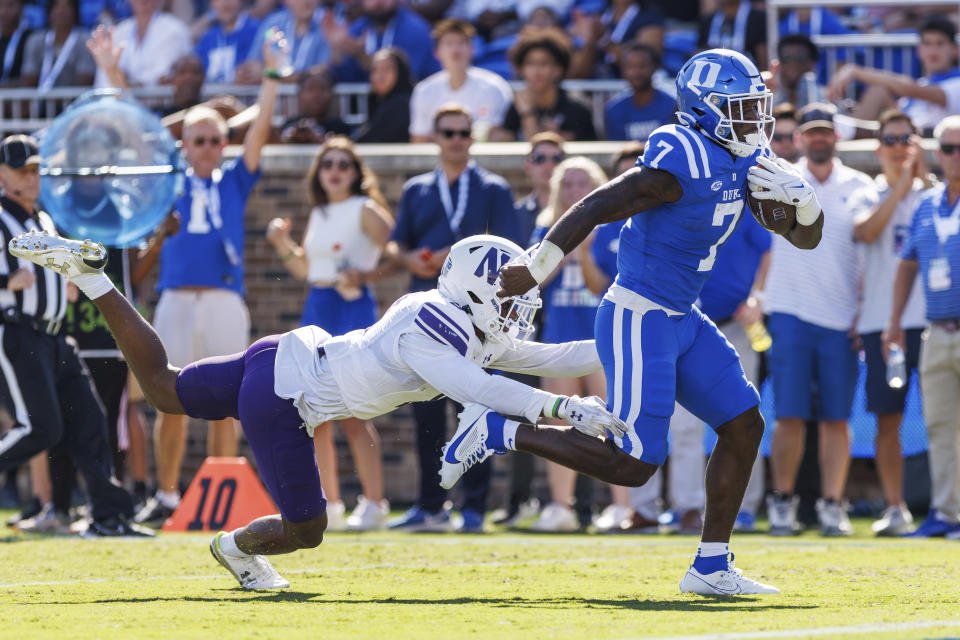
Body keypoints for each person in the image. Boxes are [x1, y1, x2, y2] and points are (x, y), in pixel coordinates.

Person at [11, 231, 625, 587]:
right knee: (309, 529)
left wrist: (639, 336)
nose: (516, 305)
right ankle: (234, 549)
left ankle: (93, 279)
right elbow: (483, 389)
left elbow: (545, 353)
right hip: (286, 395)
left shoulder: (460, 320)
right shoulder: (427, 324)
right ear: (474, 286)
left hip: (283, 360)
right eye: (507, 291)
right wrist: (568, 409)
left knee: (165, 389)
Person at [490, 48, 825, 594]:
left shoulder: (745, 157)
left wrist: (804, 206)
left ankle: (711, 566)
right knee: (635, 463)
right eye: (740, 108)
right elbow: (600, 203)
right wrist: (539, 264)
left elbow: (805, 238)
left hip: (684, 316)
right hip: (638, 314)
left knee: (744, 425)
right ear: (705, 109)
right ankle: (504, 430)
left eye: (755, 107)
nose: (754, 120)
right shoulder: (682, 155)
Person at [132, 40, 280, 527]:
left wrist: (273, 77)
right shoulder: (167, 180)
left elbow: (258, 131)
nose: (208, 149)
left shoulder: (234, 180)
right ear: (185, 145)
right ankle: (169, 494)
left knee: (230, 400)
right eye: (198, 140)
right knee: (167, 396)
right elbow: (136, 138)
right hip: (175, 295)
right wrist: (113, 69)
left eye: (215, 140)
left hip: (222, 297)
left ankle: (223, 493)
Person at [0, 134, 147, 537]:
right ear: (1, 173)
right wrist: (6, 280)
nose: (30, 179)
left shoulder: (43, 220)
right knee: (40, 428)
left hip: (56, 336)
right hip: (17, 333)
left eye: (35, 171)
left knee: (90, 420)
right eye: (21, 171)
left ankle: (108, 514)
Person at [384, 103, 521, 533]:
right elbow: (395, 246)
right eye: (449, 132)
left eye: (464, 132)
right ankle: (430, 506)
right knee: (425, 409)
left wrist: (451, 259)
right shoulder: (417, 189)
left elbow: (508, 248)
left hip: (476, 319)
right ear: (435, 137)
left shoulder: (493, 188)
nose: (456, 140)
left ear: (472, 138)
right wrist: (412, 258)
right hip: (427, 314)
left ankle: (474, 508)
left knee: (475, 405)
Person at [265, 137, 393, 531]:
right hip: (317, 306)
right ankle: (330, 504)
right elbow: (305, 270)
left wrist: (366, 275)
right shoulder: (319, 213)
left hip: (351, 305)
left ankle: (374, 504)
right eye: (328, 165)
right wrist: (280, 241)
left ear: (356, 172)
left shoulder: (366, 208)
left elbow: (396, 250)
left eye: (343, 164)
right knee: (317, 414)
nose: (335, 171)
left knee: (355, 411)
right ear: (319, 174)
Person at [763, 102, 874, 538]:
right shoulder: (779, 178)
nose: (819, 138)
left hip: (842, 317)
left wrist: (864, 310)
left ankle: (832, 504)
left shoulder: (860, 185)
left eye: (826, 131)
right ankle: (782, 503)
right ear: (801, 138)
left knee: (836, 420)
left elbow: (869, 253)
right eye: (812, 132)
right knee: (788, 416)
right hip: (789, 313)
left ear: (836, 137)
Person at [527, 156, 626, 532]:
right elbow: (534, 282)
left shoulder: (614, 227)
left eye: (582, 183)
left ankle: (621, 506)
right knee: (559, 420)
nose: (573, 191)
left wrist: (584, 248)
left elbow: (601, 285)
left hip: (602, 338)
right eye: (566, 184)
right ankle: (560, 506)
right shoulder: (545, 231)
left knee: (613, 420)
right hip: (558, 338)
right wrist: (560, 246)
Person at [854, 110, 931, 537]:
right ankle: (896, 507)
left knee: (947, 419)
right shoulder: (867, 194)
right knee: (888, 419)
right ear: (879, 147)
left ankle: (947, 504)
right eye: (892, 139)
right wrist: (901, 185)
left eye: (907, 138)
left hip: (936, 321)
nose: (900, 146)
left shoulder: (937, 197)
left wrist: (915, 185)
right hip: (882, 324)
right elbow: (866, 232)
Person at [886, 115, 960, 540]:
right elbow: (908, 264)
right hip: (936, 329)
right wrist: (894, 322)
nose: (954, 157)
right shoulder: (928, 205)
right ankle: (946, 512)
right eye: (947, 149)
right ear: (937, 153)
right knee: (939, 425)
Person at [826, 15, 960, 136]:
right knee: (878, 92)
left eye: (940, 43)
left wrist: (855, 71)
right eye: (927, 43)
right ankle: (843, 129)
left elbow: (910, 89)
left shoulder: (956, 83)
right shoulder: (922, 83)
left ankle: (844, 131)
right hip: (902, 137)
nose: (933, 50)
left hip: (926, 142)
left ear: (955, 49)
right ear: (919, 50)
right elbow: (909, 91)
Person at [409, 18, 512, 142]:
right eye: (449, 43)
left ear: (472, 49)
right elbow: (419, 139)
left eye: (461, 43)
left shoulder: (493, 87)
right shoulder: (424, 90)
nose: (455, 50)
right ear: (437, 52)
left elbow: (496, 136)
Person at [490, 26, 596, 142]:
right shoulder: (516, 106)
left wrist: (528, 115)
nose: (537, 71)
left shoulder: (576, 109)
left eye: (544, 63)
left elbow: (542, 153)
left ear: (558, 69)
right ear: (521, 69)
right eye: (530, 63)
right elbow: (502, 147)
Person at [89, 0, 192, 88]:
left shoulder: (175, 30)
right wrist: (116, 73)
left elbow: (160, 79)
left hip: (163, 109)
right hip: (118, 106)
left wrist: (119, 76)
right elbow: (104, 82)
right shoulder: (118, 31)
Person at [603, 42, 676, 142]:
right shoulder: (614, 109)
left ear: (655, 68)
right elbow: (616, 148)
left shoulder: (671, 105)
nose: (636, 72)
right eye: (631, 67)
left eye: (642, 66)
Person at [21, 0, 95, 90]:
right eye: (56, 5)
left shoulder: (85, 41)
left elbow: (84, 84)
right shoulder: (35, 40)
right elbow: (28, 82)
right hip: (39, 102)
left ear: (75, 10)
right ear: (49, 10)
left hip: (75, 103)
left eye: (67, 5)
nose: (61, 10)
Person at [352, 47, 413, 144]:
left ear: (400, 73)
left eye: (386, 69)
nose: (380, 75)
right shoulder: (376, 101)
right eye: (375, 69)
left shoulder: (401, 105)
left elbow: (369, 140)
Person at [277, 68, 350, 144]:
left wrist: (324, 142)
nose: (316, 95)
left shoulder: (340, 128)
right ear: (300, 94)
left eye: (323, 89)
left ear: (331, 94)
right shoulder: (289, 124)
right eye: (310, 89)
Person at [194, 0, 260, 83]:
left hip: (244, 94)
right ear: (211, 4)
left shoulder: (257, 30)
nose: (225, 3)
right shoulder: (208, 36)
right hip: (211, 94)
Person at [698, 0, 767, 70]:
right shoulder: (708, 20)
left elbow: (763, 61)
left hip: (748, 76)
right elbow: (700, 55)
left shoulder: (759, 18)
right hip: (712, 75)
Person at [768, 34, 823, 110]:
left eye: (800, 58)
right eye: (786, 58)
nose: (792, 64)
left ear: (812, 63)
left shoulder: (823, 102)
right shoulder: (769, 99)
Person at [0, 0, 31, 86]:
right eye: (0, 5)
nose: (3, 11)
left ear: (21, 8)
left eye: (10, 5)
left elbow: (30, 81)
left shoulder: (31, 38)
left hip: (20, 97)